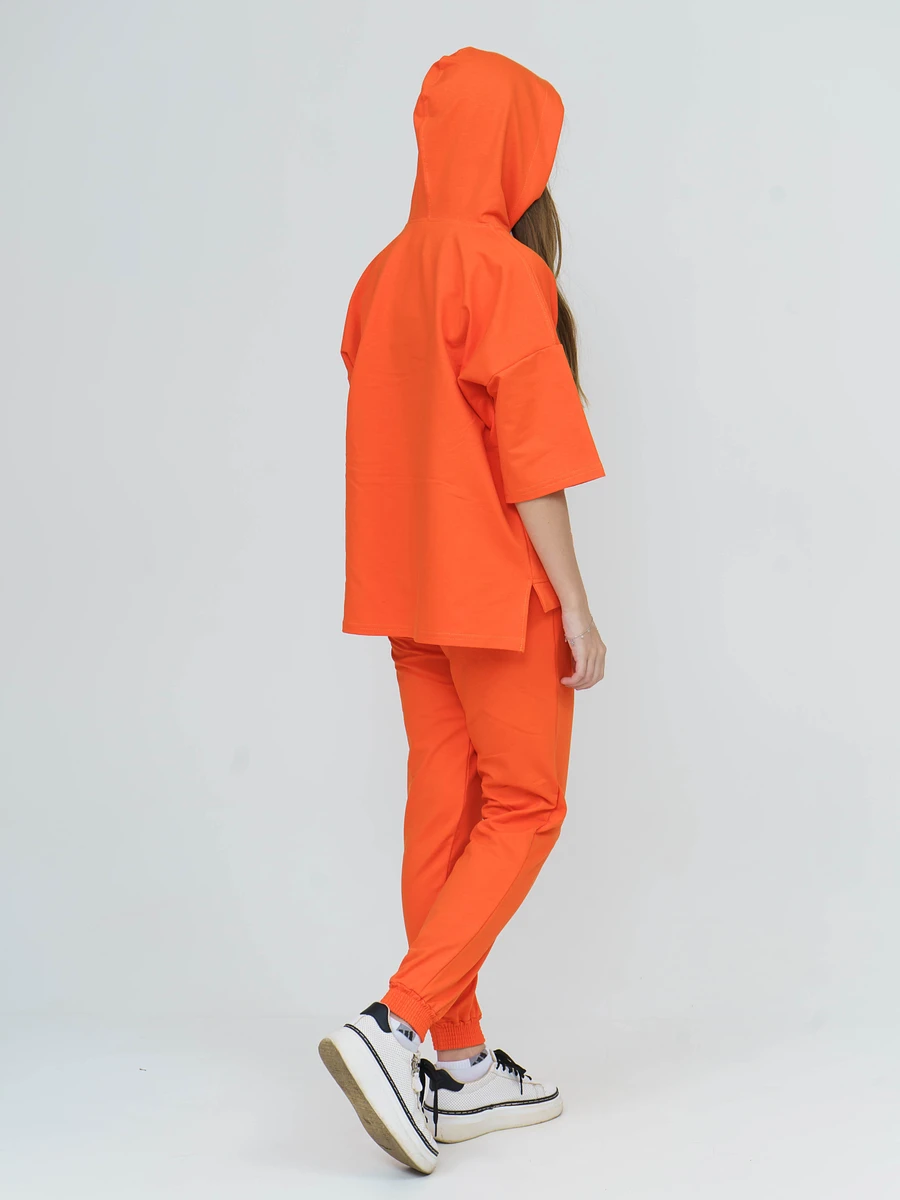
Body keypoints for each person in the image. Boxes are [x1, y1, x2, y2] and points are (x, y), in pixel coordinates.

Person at [318, 45, 606, 1174]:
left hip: (407, 587)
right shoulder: (503, 271)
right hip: (494, 588)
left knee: (443, 812)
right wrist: (576, 605)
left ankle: (462, 1060)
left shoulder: (381, 274)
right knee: (527, 806)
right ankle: (397, 1025)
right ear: (516, 153)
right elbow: (532, 460)